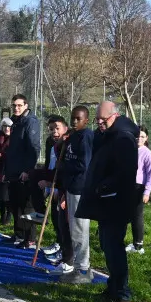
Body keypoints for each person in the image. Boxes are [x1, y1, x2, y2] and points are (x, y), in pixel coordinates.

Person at [76, 101, 139, 302]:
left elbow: (125, 172)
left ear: (116, 116)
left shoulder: (123, 138)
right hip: (104, 200)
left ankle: (122, 292)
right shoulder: (107, 135)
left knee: (114, 246)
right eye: (97, 120)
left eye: (104, 119)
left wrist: (103, 186)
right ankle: (113, 287)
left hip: (116, 202)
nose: (100, 123)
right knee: (107, 245)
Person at [59, 106, 95, 284]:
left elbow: (84, 164)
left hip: (80, 188)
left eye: (78, 119)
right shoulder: (73, 136)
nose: (74, 121)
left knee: (80, 229)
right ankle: (78, 266)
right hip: (71, 187)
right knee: (74, 229)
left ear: (86, 120)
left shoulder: (86, 136)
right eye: (72, 118)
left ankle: (84, 269)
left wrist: (66, 166)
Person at [5, 93, 42, 249]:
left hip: (23, 172)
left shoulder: (30, 122)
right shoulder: (14, 122)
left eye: (19, 105)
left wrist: (28, 170)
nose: (16, 108)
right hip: (13, 170)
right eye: (14, 105)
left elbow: (34, 148)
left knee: (26, 206)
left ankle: (30, 238)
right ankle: (19, 234)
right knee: (15, 205)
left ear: (26, 106)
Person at [36, 116, 71, 270]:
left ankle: (65, 252)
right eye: (51, 129)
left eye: (57, 128)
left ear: (65, 128)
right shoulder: (52, 144)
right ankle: (60, 245)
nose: (54, 132)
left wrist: (53, 185)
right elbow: (50, 166)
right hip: (54, 183)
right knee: (56, 218)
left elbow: (64, 172)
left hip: (63, 187)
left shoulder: (68, 145)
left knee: (64, 223)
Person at [127, 127, 151, 255]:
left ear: (146, 138)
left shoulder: (148, 154)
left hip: (139, 187)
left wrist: (147, 192)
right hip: (127, 186)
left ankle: (138, 244)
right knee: (126, 215)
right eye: (137, 136)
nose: (139, 139)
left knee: (137, 215)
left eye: (142, 136)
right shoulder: (129, 150)